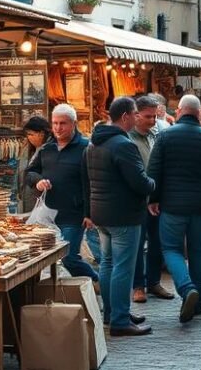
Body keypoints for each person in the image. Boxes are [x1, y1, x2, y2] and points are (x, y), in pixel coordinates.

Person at [148, 95, 201, 323]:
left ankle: (186, 288)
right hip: (200, 207)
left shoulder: (165, 136)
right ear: (198, 113)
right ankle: (199, 302)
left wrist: (153, 198)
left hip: (171, 206)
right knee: (197, 252)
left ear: (180, 110)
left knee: (171, 249)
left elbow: (154, 171)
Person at [87, 96, 157, 336]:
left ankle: (112, 313)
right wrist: (152, 183)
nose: (137, 117)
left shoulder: (94, 143)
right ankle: (119, 319)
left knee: (107, 263)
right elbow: (139, 182)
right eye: (135, 113)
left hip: (101, 213)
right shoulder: (124, 145)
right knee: (123, 267)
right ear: (125, 116)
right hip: (123, 215)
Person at [27, 104, 99, 282]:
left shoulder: (86, 148)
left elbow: (93, 183)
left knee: (69, 257)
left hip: (73, 214)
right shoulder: (46, 149)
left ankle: (97, 281)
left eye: (63, 123)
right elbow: (29, 173)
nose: (58, 128)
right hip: (47, 214)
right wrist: (38, 181)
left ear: (74, 123)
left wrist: (89, 214)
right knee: (44, 257)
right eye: (55, 123)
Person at [130, 96, 172, 302]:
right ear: (136, 115)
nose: (153, 120)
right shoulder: (128, 139)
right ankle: (138, 286)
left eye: (155, 116)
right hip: (137, 200)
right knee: (138, 245)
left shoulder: (156, 136)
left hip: (156, 198)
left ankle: (153, 281)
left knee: (157, 241)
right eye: (148, 117)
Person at [15, 116, 50, 214]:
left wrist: (37, 179)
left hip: (42, 203)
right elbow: (22, 172)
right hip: (28, 200)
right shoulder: (29, 150)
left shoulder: (50, 152)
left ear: (41, 134)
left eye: (31, 134)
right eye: (27, 134)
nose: (28, 137)